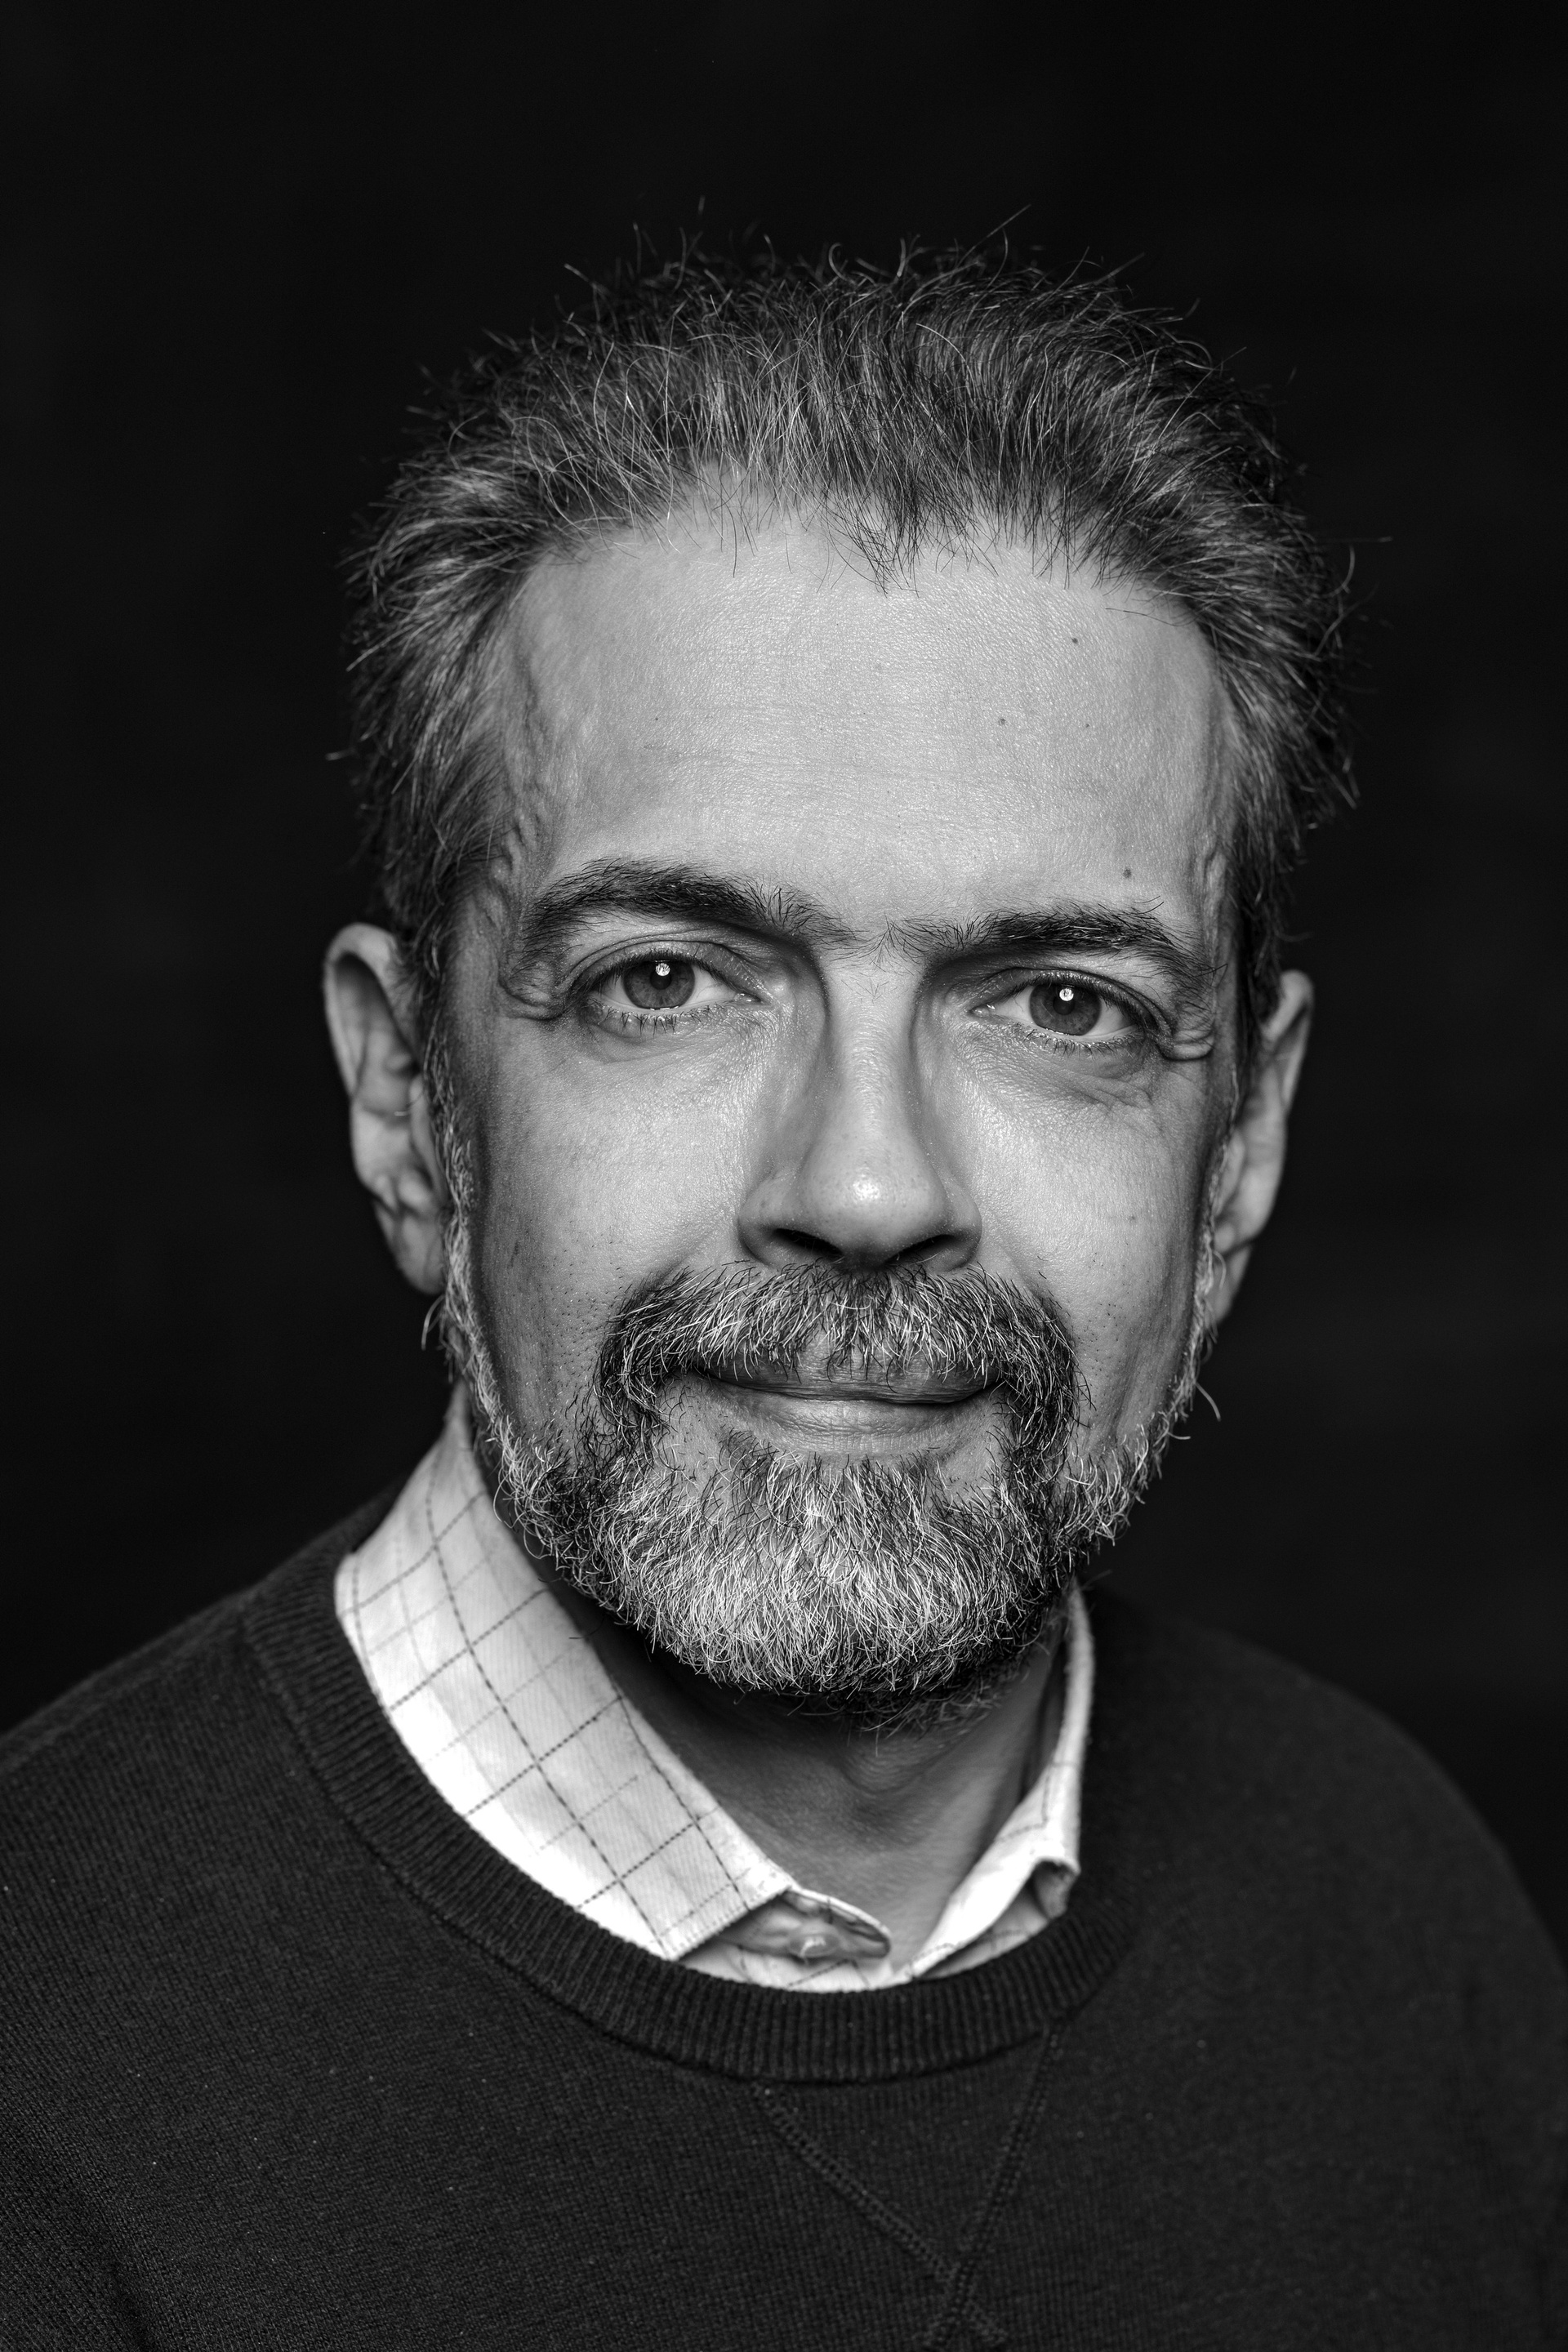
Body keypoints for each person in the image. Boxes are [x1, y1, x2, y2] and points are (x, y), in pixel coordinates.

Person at [2, 249, 1563, 2350]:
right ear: (407, 1100)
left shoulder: (1401, 1913)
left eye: (1061, 1005)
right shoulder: (43, 2084)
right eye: (665, 980)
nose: (865, 1189)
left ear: (1244, 1145)